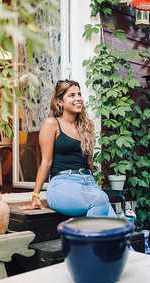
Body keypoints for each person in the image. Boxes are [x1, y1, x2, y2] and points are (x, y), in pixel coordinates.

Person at [20, 79, 116, 218]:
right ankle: (85, 238)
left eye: (79, 94)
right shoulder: (52, 124)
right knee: (100, 200)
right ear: (60, 102)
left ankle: (83, 237)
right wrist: (36, 195)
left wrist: (92, 186)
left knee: (117, 228)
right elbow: (46, 162)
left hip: (88, 183)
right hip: (62, 185)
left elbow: (89, 162)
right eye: (71, 95)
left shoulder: (88, 125)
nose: (78, 99)